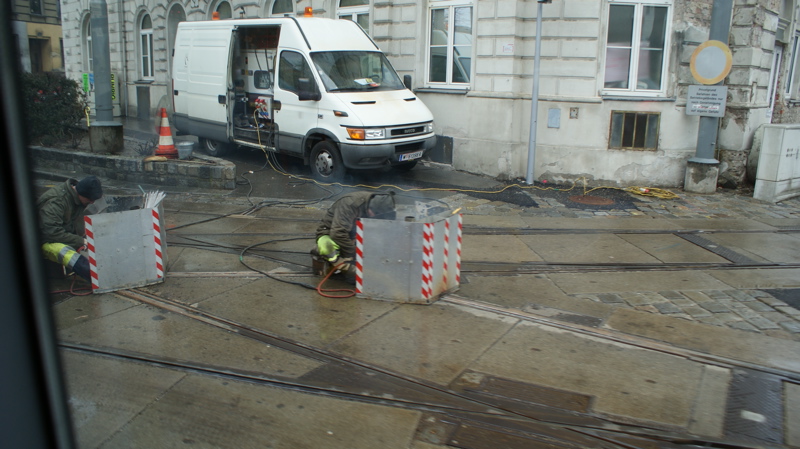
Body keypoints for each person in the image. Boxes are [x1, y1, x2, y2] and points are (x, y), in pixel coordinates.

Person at [313, 191, 396, 279]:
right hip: (330, 233)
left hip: (352, 234)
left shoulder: (376, 202)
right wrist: (353, 254)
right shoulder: (350, 204)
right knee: (327, 246)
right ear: (371, 208)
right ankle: (343, 266)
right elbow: (338, 233)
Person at [37, 176, 103, 282]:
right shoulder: (56, 202)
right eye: (90, 199)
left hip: (60, 232)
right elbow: (51, 232)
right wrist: (80, 241)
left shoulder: (76, 197)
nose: (92, 202)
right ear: (81, 193)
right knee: (66, 253)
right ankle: (98, 278)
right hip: (43, 239)